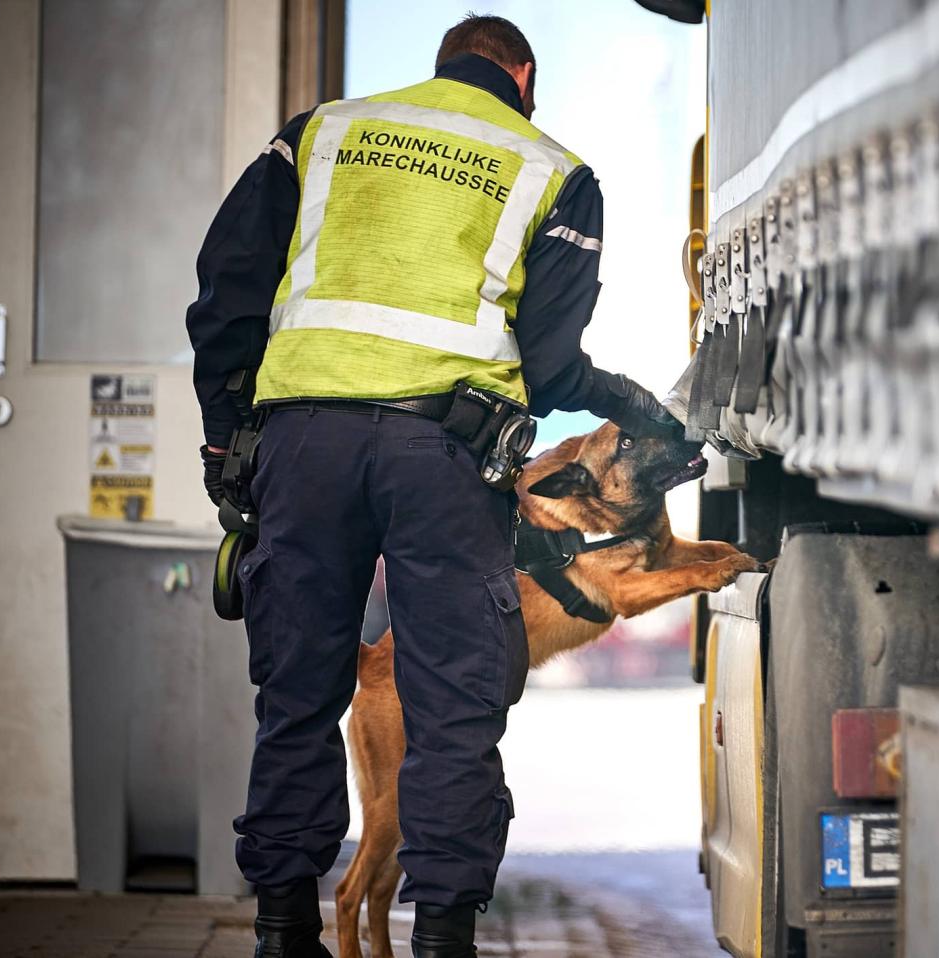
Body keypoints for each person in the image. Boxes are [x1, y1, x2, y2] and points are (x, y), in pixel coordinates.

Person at [185, 15, 681, 958]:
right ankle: (444, 939)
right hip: (446, 458)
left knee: (297, 696)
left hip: (305, 445)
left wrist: (226, 444)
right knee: (453, 707)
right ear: (523, 78)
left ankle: (282, 932)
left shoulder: (320, 133)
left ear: (444, 63)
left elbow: (228, 291)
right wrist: (635, 405)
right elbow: (549, 365)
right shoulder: (553, 170)